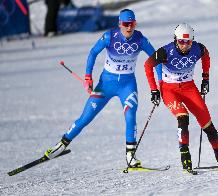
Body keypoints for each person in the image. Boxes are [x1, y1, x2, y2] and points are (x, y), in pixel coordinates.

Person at [45, 9, 159, 168]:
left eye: (132, 24)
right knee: (85, 118)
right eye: (126, 24)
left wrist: (160, 84)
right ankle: (62, 144)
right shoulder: (109, 36)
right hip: (106, 84)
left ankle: (130, 156)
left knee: (130, 116)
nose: (129, 28)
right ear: (120, 24)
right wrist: (87, 77)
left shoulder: (140, 39)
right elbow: (92, 53)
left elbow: (156, 59)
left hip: (127, 85)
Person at [144, 23, 218, 171]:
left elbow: (206, 55)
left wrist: (205, 79)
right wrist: (154, 90)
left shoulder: (198, 48)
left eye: (188, 42)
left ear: (192, 41)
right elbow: (147, 65)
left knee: (207, 124)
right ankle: (185, 156)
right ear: (175, 40)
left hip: (189, 88)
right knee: (183, 117)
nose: (185, 45)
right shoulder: (165, 51)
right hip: (170, 90)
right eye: (181, 41)